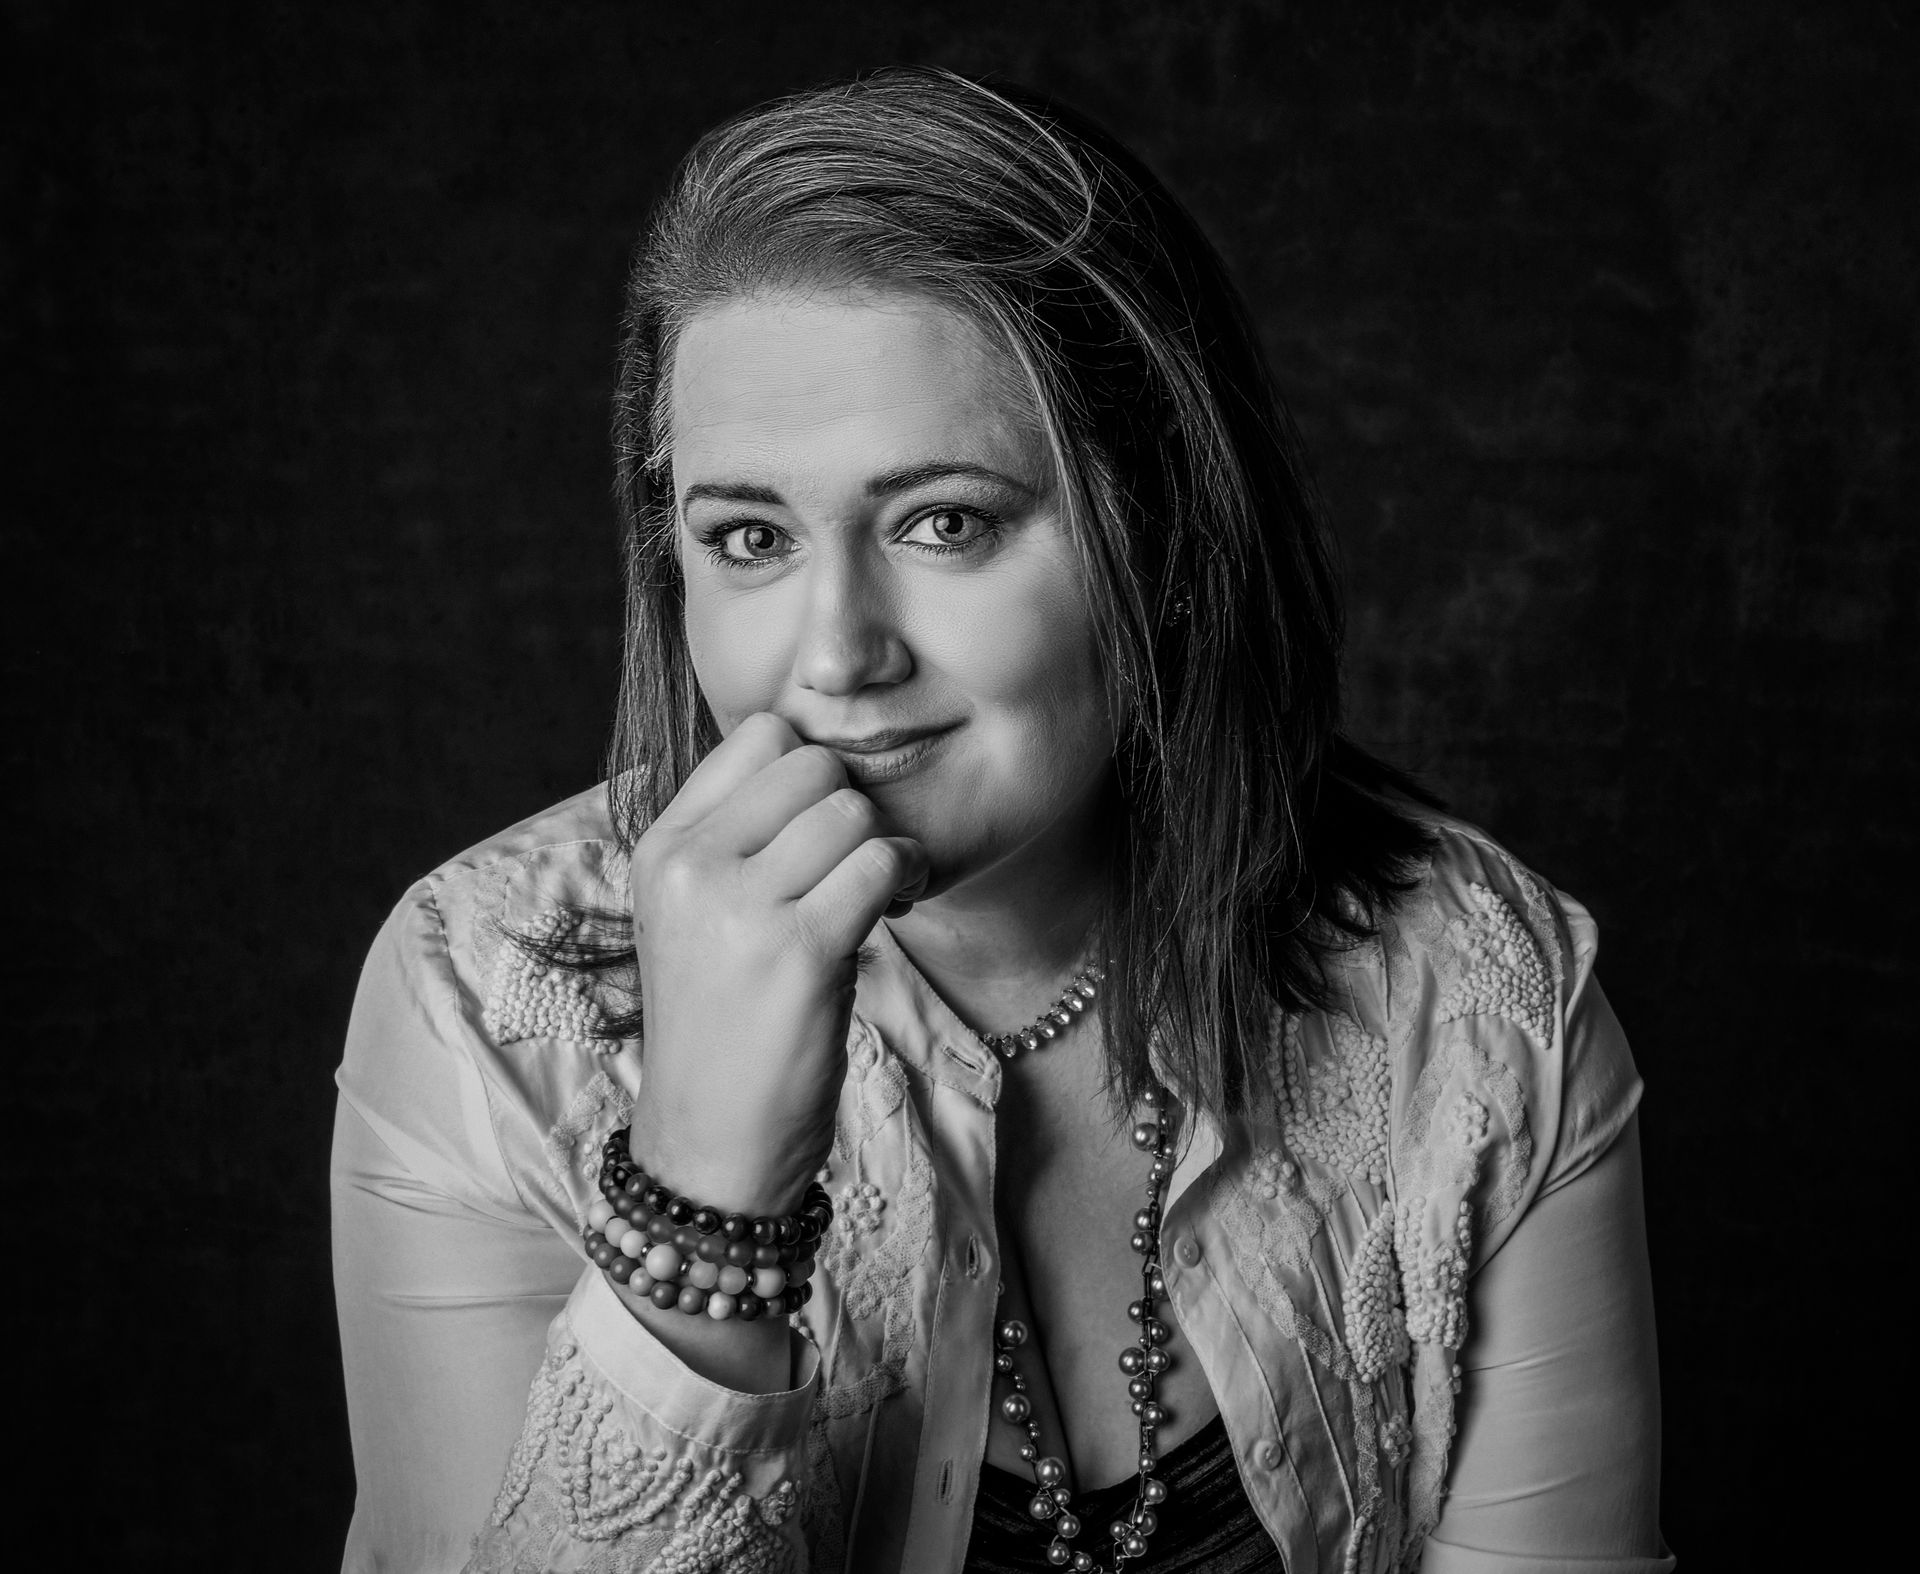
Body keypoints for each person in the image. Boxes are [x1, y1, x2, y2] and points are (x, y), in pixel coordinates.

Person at [331, 67, 1670, 1574]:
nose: (838, 655)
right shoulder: (483, 999)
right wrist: (703, 1193)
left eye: (945, 523)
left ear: (1160, 534)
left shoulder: (1477, 1002)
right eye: (751, 537)